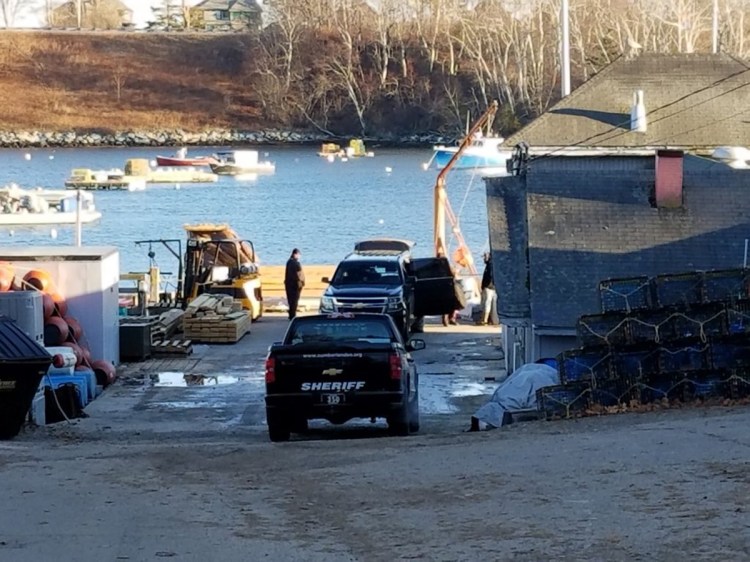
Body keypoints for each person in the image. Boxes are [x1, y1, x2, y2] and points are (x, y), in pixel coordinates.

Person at [284, 248, 305, 320]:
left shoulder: (289, 262)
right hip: (295, 285)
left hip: (288, 284)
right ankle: (293, 315)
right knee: (294, 300)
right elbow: (299, 275)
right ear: (295, 254)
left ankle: (291, 314)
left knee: (291, 300)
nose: (299, 256)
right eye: (298, 255)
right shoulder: (296, 263)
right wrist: (302, 283)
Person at [479, 252, 498, 326]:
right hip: (494, 287)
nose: (484, 258)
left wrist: (484, 286)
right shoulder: (495, 264)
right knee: (493, 305)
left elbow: (488, 276)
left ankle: (484, 320)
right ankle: (494, 320)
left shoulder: (490, 265)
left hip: (488, 287)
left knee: (487, 304)